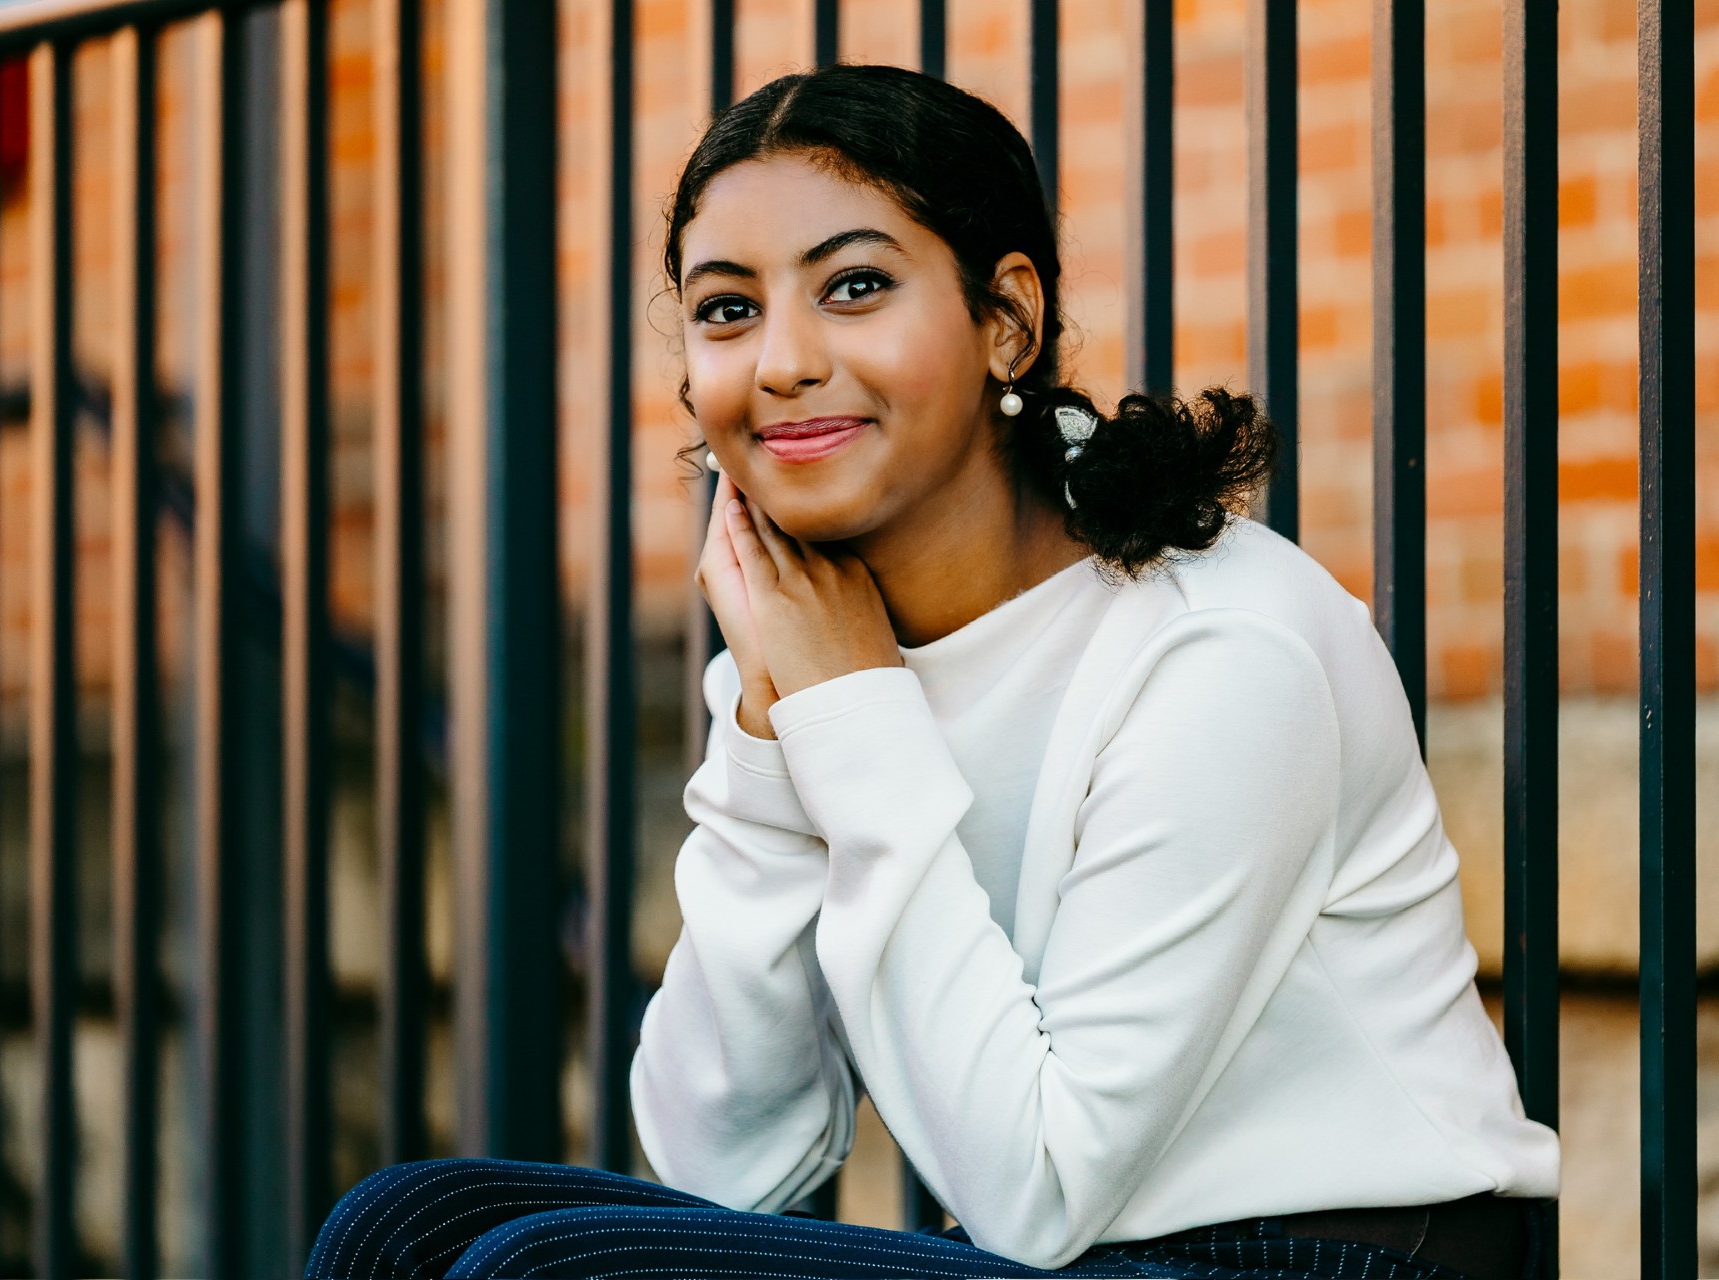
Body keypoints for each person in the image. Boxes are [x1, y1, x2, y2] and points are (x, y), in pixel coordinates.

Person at [304, 62, 1559, 1280]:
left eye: (852, 286)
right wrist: (765, 725)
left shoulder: (1219, 645)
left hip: (1340, 1259)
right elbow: (720, 1165)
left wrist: (848, 712)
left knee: (550, 1269)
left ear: (1005, 320)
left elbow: (1038, 1192)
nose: (781, 358)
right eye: (727, 308)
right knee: (405, 1222)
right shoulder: (819, 639)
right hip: (1068, 1256)